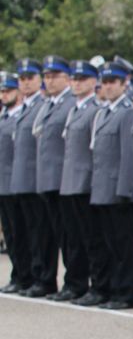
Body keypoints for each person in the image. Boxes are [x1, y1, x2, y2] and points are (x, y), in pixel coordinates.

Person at [90, 58, 133, 310]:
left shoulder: (128, 112)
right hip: (102, 190)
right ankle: (111, 289)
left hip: (121, 192)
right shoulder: (104, 112)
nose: (108, 87)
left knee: (123, 247)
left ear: (125, 83)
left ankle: (125, 293)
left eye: (113, 82)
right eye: (105, 82)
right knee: (108, 244)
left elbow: (130, 155)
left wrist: (125, 189)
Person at [58, 61, 104, 305]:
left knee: (91, 240)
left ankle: (93, 285)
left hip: (85, 182)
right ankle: (74, 283)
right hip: (69, 182)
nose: (76, 83)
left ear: (93, 82)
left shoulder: (94, 109)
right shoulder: (74, 109)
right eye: (74, 79)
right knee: (73, 238)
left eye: (82, 79)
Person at [33, 56, 75, 299]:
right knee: (50, 234)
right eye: (46, 76)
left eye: (54, 76)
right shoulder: (48, 105)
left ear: (65, 78)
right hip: (47, 180)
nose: (49, 81)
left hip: (64, 181)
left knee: (70, 237)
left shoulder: (70, 104)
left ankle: (74, 282)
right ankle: (46, 279)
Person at [10, 58, 51, 297]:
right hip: (20, 180)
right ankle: (25, 276)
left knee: (39, 233)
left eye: (30, 78)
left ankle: (42, 278)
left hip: (36, 180)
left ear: (39, 80)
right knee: (22, 233)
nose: (25, 83)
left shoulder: (42, 106)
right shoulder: (23, 107)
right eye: (22, 79)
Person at [0, 70, 22, 293]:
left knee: (21, 233)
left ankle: (24, 275)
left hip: (16, 183)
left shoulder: (19, 117)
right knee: (11, 234)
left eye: (8, 91)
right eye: (2, 91)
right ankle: (18, 274)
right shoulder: (4, 116)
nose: (4, 95)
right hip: (4, 184)